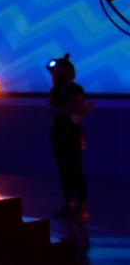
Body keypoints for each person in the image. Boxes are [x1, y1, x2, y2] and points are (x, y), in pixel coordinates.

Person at [48, 54, 91, 219]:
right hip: (58, 133)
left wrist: (64, 111)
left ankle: (81, 205)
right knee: (63, 169)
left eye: (57, 72)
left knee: (75, 169)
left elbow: (70, 110)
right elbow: (54, 110)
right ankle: (69, 203)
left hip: (71, 134)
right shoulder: (56, 91)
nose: (54, 75)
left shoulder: (75, 90)